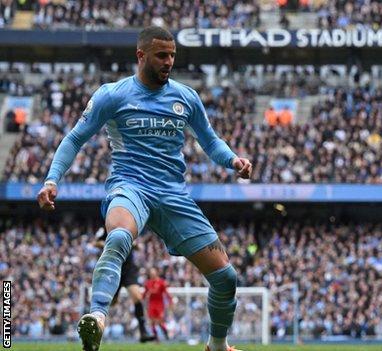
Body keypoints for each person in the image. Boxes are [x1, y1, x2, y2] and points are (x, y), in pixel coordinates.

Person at [37, 26, 252, 351]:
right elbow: (74, 138)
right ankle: (96, 317)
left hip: (173, 195)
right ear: (141, 56)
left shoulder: (186, 97)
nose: (169, 62)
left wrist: (234, 161)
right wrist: (52, 180)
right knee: (120, 236)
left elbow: (210, 141)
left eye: (172, 56)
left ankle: (217, 346)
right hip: (130, 187)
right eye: (162, 56)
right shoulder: (113, 94)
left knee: (226, 278)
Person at [93, 227, 156, 343]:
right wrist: (107, 244)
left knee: (137, 296)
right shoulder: (105, 228)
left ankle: (143, 331)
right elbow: (95, 242)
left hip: (128, 269)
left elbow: (137, 244)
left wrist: (136, 245)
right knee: (110, 302)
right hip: (112, 267)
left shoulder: (131, 227)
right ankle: (96, 327)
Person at [144, 267, 172, 341]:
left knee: (159, 321)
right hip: (151, 304)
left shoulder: (161, 282)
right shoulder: (148, 283)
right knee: (152, 322)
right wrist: (143, 297)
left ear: (156, 273)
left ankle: (165, 333)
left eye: (153, 272)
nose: (152, 274)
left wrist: (170, 301)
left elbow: (166, 293)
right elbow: (145, 293)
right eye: (151, 272)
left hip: (159, 304)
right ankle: (156, 339)